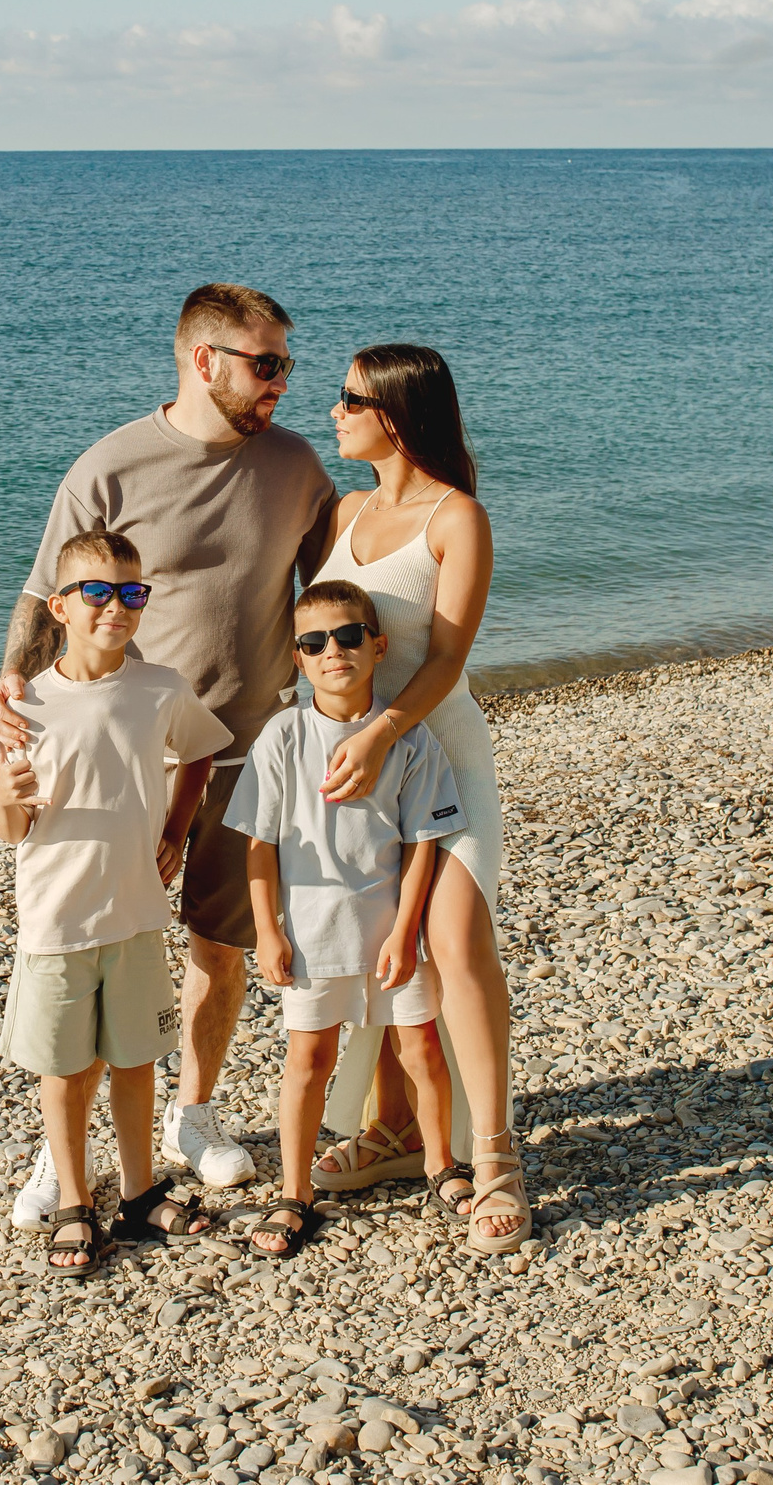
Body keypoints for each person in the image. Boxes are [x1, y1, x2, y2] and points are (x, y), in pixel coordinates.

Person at [0, 284, 338, 1222]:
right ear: (203, 359)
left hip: (245, 753)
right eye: (266, 365)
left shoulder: (298, 466)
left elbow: (332, 598)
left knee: (218, 949)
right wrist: (10, 691)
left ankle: (194, 1114)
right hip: (117, 762)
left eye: (287, 365)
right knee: (90, 954)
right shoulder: (109, 466)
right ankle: (61, 1160)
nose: (281, 383)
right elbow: (44, 597)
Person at [305, 345, 527, 1254]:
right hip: (361, 767)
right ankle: (397, 1130)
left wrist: (379, 731)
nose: (333, 411)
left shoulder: (457, 517)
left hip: (439, 755)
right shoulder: (343, 509)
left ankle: (499, 1159)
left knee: (453, 938)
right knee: (374, 947)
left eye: (351, 397)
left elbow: (445, 661)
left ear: (396, 412)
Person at [0, 529, 226, 1274]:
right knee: (65, 1066)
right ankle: (75, 1200)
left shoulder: (160, 688)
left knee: (137, 1057)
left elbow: (201, 748)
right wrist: (12, 802)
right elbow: (7, 825)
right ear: (60, 605)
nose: (116, 606)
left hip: (138, 914)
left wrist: (179, 827)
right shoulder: (28, 706)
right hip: (56, 922)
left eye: (131, 592)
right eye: (97, 592)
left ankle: (143, 1191)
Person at [229, 579, 466, 1258]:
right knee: (309, 1057)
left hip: (390, 926)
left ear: (377, 644)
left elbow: (423, 840)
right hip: (311, 928)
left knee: (420, 1046)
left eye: (348, 635)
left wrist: (405, 928)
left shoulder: (409, 739)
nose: (333, 650)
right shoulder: (284, 736)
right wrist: (268, 928)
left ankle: (440, 1165)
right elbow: (259, 842)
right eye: (313, 642)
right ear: (298, 660)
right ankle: (295, 1191)